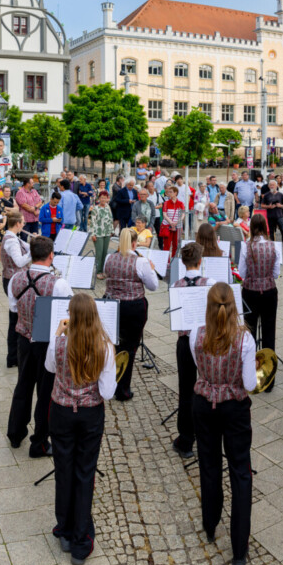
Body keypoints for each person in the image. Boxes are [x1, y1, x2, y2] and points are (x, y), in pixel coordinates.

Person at [189, 281, 257, 565]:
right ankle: (239, 549)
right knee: (240, 471)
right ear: (234, 307)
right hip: (234, 407)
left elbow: (199, 368)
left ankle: (210, 524)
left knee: (209, 464)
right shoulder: (245, 339)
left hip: (204, 405)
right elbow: (250, 383)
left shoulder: (196, 333)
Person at [44, 292, 116, 565]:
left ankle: (64, 528)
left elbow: (50, 367)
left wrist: (57, 333)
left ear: (72, 317)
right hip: (89, 414)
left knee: (64, 469)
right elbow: (107, 393)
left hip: (61, 410)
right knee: (84, 473)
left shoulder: (60, 344)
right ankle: (80, 541)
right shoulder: (105, 347)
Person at [7, 236, 71, 457]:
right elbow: (68, 316)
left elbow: (14, 310)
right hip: (48, 343)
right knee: (46, 394)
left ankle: (15, 434)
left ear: (31, 254)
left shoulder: (15, 278)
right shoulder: (59, 283)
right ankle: (40, 443)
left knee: (23, 386)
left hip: (24, 340)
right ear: (51, 255)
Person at [102, 229, 159, 400]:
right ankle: (123, 389)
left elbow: (107, 274)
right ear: (134, 243)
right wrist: (152, 269)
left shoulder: (109, 258)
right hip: (133, 306)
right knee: (130, 347)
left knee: (112, 345)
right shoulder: (140, 262)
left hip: (111, 305)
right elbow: (153, 286)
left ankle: (108, 384)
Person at [170, 242, 210, 458]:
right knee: (206, 386)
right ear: (200, 261)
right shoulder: (210, 283)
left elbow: (177, 321)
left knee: (186, 390)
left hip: (185, 342)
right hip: (207, 341)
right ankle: (205, 434)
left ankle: (185, 439)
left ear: (183, 262)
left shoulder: (176, 286)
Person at [240, 215, 281, 355]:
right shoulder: (274, 245)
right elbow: (276, 274)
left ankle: (250, 368)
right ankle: (268, 372)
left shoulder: (246, 246)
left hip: (250, 291)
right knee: (269, 331)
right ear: (265, 227)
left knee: (249, 331)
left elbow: (242, 273)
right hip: (269, 290)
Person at [0, 213, 30, 367]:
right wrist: (33, 253)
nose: (24, 225)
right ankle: (13, 357)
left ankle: (14, 357)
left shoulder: (13, 237)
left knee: (16, 319)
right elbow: (19, 262)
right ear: (18, 223)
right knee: (15, 321)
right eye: (23, 222)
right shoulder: (11, 241)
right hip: (14, 281)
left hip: (13, 280)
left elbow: (25, 247)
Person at [87, 190, 115, 281]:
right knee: (99, 253)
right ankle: (98, 271)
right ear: (99, 198)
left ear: (107, 199)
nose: (103, 199)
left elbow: (110, 219)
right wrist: (93, 233)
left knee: (104, 253)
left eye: (105, 198)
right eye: (102, 197)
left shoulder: (108, 207)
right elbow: (93, 222)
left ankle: (103, 270)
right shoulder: (95, 209)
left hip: (107, 233)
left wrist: (112, 230)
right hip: (98, 234)